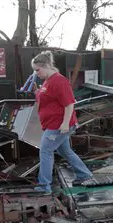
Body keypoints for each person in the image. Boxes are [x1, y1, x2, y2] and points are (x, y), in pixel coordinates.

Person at [31, 51, 93, 194]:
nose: (36, 73)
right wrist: (37, 92)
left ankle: (44, 186)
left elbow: (69, 104)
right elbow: (49, 97)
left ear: (46, 66)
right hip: (52, 123)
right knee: (64, 150)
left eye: (37, 70)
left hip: (58, 125)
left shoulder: (59, 81)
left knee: (45, 150)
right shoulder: (48, 80)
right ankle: (84, 174)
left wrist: (65, 124)